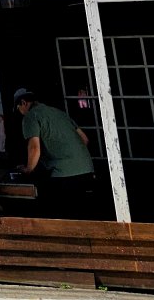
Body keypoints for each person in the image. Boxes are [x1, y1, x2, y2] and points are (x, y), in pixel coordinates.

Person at [13, 88, 98, 217]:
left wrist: (28, 169)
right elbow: (84, 139)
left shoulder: (31, 116)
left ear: (24, 103)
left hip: (63, 176)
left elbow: (34, 148)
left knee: (58, 214)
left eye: (19, 108)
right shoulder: (59, 112)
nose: (21, 113)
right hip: (87, 170)